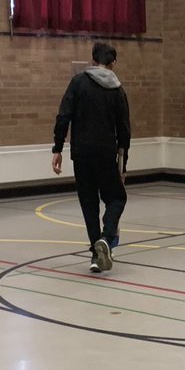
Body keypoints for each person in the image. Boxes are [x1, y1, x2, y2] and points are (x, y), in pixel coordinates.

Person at [51, 42, 131, 273]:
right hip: (105, 153)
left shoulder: (78, 83)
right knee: (117, 198)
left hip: (81, 154)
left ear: (93, 60)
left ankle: (96, 256)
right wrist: (123, 164)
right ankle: (106, 238)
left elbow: (63, 116)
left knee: (89, 204)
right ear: (112, 63)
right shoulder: (117, 90)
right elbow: (124, 130)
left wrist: (57, 149)